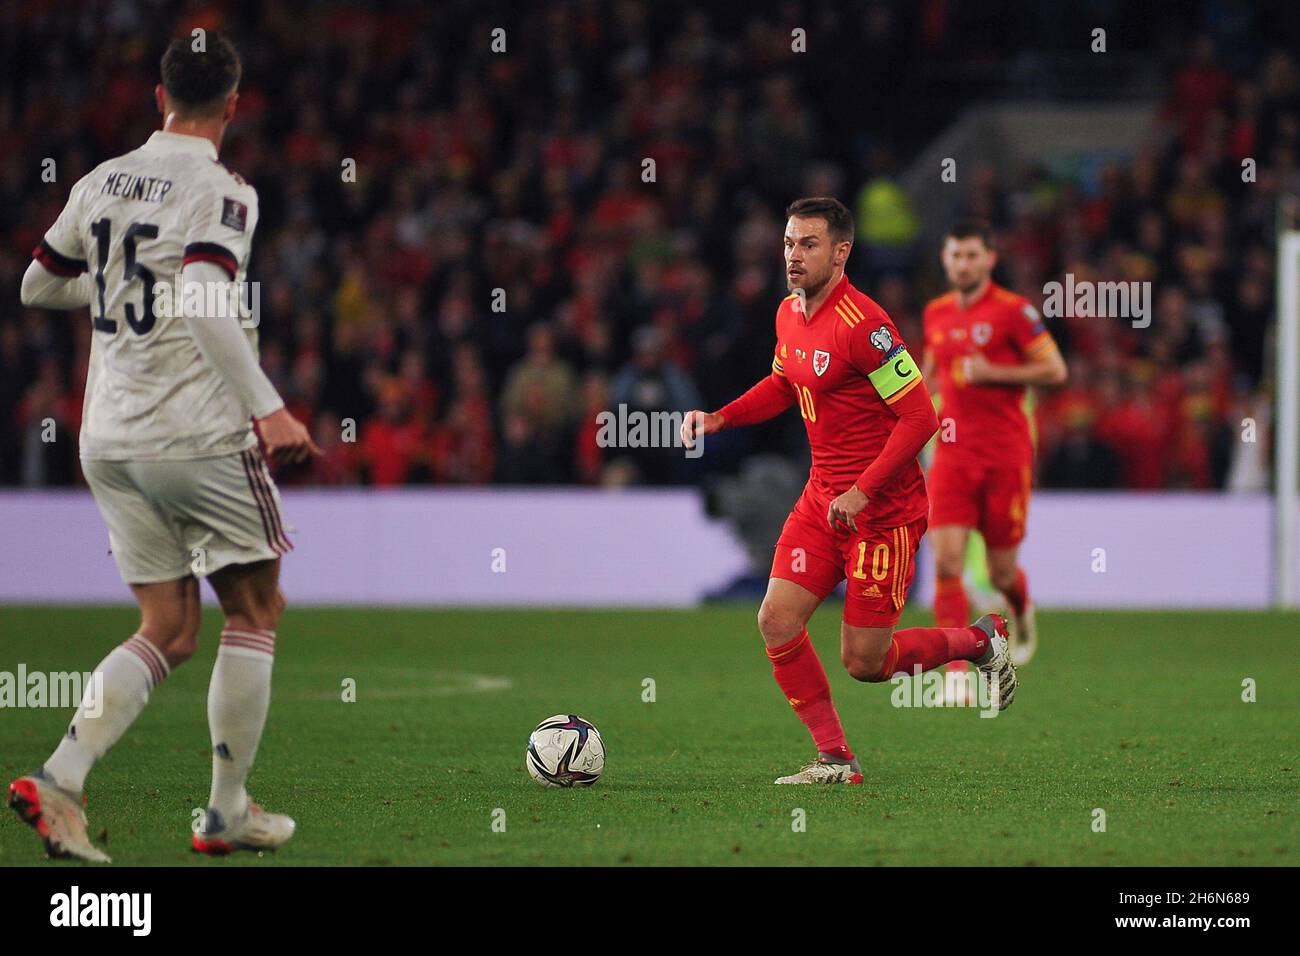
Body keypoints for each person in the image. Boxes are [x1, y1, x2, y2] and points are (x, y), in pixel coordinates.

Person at [11, 33, 318, 860]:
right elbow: (207, 300)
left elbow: (37, 285)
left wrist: (113, 284)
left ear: (158, 97)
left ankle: (61, 779)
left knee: (171, 626)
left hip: (108, 438)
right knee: (255, 609)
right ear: (234, 103)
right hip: (195, 434)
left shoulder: (100, 180)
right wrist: (272, 410)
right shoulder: (223, 192)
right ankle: (224, 813)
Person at [682, 198, 1017, 785]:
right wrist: (723, 418)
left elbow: (920, 418)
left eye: (808, 244)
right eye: (789, 242)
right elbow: (786, 382)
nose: (793, 255)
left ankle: (978, 640)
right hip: (821, 501)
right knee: (776, 621)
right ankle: (835, 759)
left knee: (865, 662)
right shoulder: (790, 312)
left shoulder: (868, 327)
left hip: (882, 513)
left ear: (841, 253)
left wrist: (863, 492)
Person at [921, 220, 1067, 679]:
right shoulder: (936, 313)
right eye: (955, 256)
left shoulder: (1013, 311)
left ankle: (1021, 610)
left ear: (989, 259)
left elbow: (1055, 369)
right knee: (946, 560)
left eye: (971, 255)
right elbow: (930, 373)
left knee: (1003, 573)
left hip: (1006, 455)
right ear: (945, 260)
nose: (962, 264)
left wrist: (993, 373)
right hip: (952, 454)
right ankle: (956, 672)